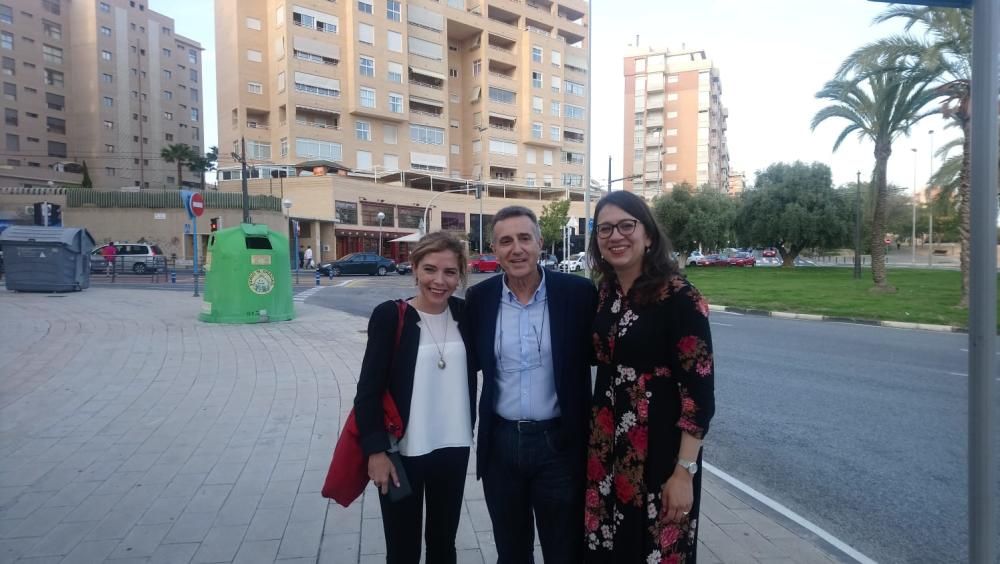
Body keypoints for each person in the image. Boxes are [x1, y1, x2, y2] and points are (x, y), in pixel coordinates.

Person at [583, 191, 715, 563]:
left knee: (658, 550)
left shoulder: (680, 297)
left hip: (660, 453)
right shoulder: (606, 293)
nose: (616, 236)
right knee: (607, 548)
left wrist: (684, 472)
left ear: (649, 236)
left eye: (627, 225)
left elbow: (700, 395)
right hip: (606, 447)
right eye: (605, 228)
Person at [465, 206, 597, 564]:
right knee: (510, 551)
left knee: (563, 549)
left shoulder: (578, 294)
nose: (516, 248)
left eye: (525, 238)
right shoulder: (480, 299)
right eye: (505, 241)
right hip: (501, 447)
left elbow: (611, 352)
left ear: (540, 243)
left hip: (558, 445)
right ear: (494, 249)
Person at [354, 231, 477, 564]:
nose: (439, 281)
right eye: (430, 270)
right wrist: (375, 451)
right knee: (402, 549)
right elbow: (367, 391)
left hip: (453, 449)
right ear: (414, 269)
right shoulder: (391, 316)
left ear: (460, 275)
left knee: (443, 544)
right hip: (400, 453)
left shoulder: (466, 315)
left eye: (450, 272)